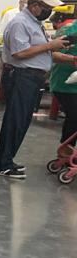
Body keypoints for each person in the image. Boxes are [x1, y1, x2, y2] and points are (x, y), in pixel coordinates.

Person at [0, 0, 70, 180]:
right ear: (34, 6)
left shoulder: (35, 24)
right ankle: (1, 164)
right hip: (22, 77)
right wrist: (50, 45)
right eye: (47, 8)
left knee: (21, 121)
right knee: (15, 121)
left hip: (31, 78)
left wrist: (70, 59)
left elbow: (43, 53)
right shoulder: (20, 23)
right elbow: (20, 53)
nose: (49, 12)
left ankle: (7, 160)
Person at [48, 14, 77, 154]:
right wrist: (74, 59)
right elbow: (52, 54)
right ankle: (65, 152)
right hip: (65, 84)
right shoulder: (68, 30)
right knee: (75, 115)